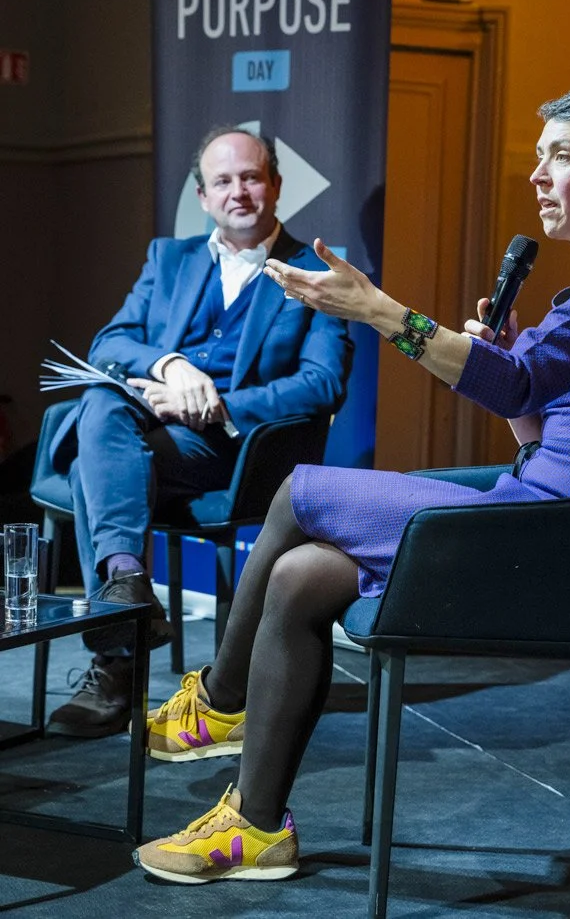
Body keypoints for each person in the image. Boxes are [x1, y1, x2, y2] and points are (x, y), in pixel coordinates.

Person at [133, 85, 570, 885]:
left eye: (562, 156)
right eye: (538, 156)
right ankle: (254, 827)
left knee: (300, 490)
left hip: (558, 546)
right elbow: (532, 421)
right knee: (299, 577)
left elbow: (518, 390)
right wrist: (505, 359)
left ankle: (218, 701)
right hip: (533, 517)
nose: (538, 174)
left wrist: (378, 310)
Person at [47, 127, 353, 739]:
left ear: (274, 186)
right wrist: (171, 366)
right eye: (223, 181)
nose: (238, 191)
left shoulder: (315, 272)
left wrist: (218, 404)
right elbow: (111, 343)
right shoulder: (171, 258)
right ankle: (130, 586)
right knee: (104, 404)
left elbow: (323, 383)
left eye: (250, 177)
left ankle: (117, 657)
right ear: (203, 195)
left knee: (94, 451)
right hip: (148, 430)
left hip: (234, 451)